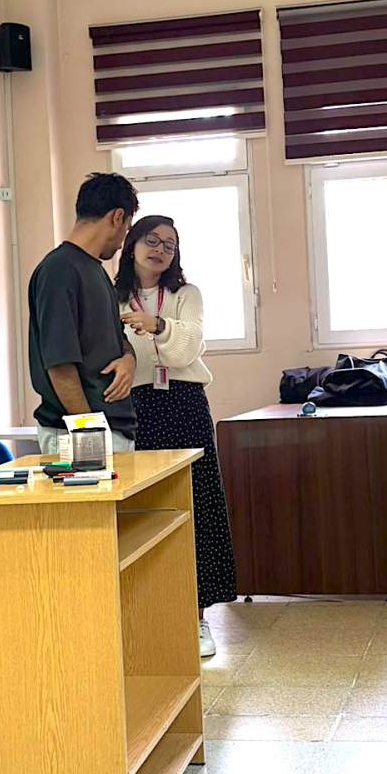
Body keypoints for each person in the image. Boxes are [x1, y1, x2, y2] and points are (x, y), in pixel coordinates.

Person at [115, 215, 237, 658]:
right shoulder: (111, 296)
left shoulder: (187, 294)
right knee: (145, 508)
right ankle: (148, 614)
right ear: (132, 244)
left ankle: (197, 617)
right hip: (135, 406)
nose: (160, 250)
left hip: (184, 403)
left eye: (169, 244)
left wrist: (158, 326)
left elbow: (188, 349)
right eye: (152, 240)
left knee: (196, 504)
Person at [27, 172, 139, 455]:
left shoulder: (97, 272)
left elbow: (118, 339)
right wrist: (90, 435)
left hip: (110, 428)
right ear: (117, 217)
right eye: (127, 229)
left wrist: (128, 359)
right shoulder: (59, 270)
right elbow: (60, 364)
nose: (122, 241)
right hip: (78, 432)